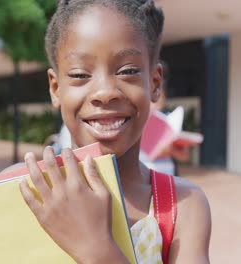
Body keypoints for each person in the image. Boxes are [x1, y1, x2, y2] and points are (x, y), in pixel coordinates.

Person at [20, 1, 211, 263]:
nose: (105, 93)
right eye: (79, 74)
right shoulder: (22, 189)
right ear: (56, 88)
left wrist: (94, 247)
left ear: (154, 84)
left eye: (128, 71)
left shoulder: (182, 206)